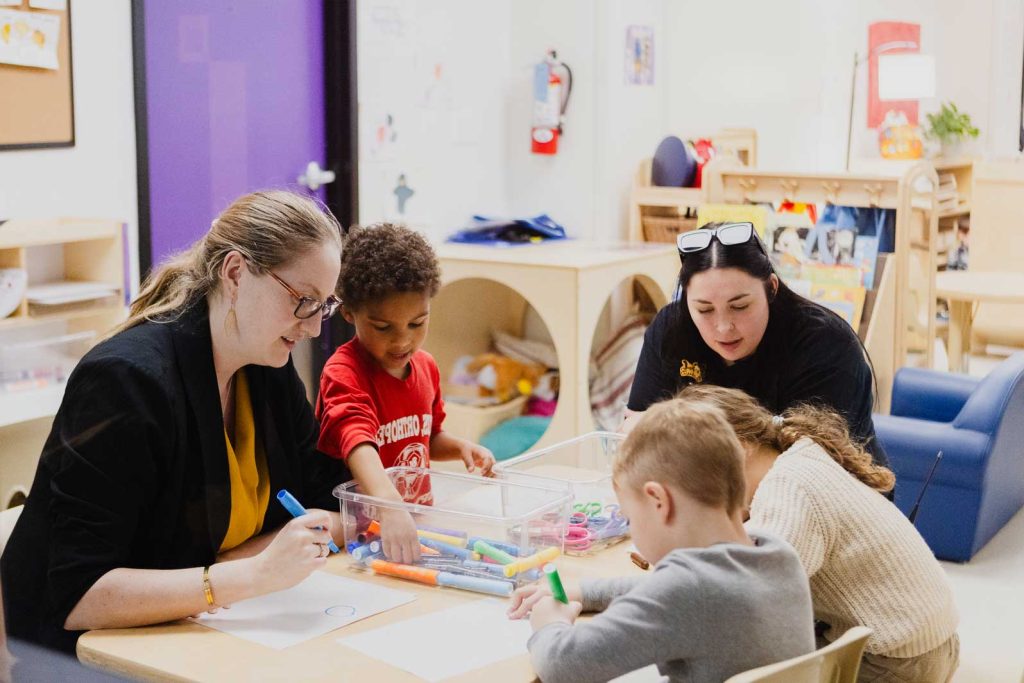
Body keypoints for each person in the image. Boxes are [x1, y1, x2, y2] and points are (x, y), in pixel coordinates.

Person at [0, 190, 351, 653]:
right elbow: (77, 594)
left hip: (195, 631)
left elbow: (324, 499)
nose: (313, 328)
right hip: (76, 654)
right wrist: (249, 573)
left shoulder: (267, 368)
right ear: (235, 273)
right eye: (303, 301)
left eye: (324, 305)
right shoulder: (126, 380)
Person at [507, 399, 814, 683]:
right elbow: (662, 590)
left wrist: (549, 622)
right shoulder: (776, 554)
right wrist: (583, 591)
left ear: (658, 501)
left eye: (630, 518)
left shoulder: (688, 591)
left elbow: (564, 666)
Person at [681, 384, 960, 683]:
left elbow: (752, 595)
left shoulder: (788, 490)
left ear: (738, 446)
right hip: (927, 641)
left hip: (899, 662)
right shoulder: (798, 455)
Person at [626, 221, 888, 467]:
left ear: (771, 288)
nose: (723, 327)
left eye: (740, 306)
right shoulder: (671, 330)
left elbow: (804, 471)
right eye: (704, 310)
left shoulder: (825, 346)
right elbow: (635, 431)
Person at [316, 223, 495, 565]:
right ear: (349, 313)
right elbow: (356, 441)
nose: (402, 342)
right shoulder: (343, 372)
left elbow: (426, 437)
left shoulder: (425, 367)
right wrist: (389, 504)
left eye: (417, 323)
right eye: (383, 327)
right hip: (360, 536)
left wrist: (460, 448)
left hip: (411, 521)